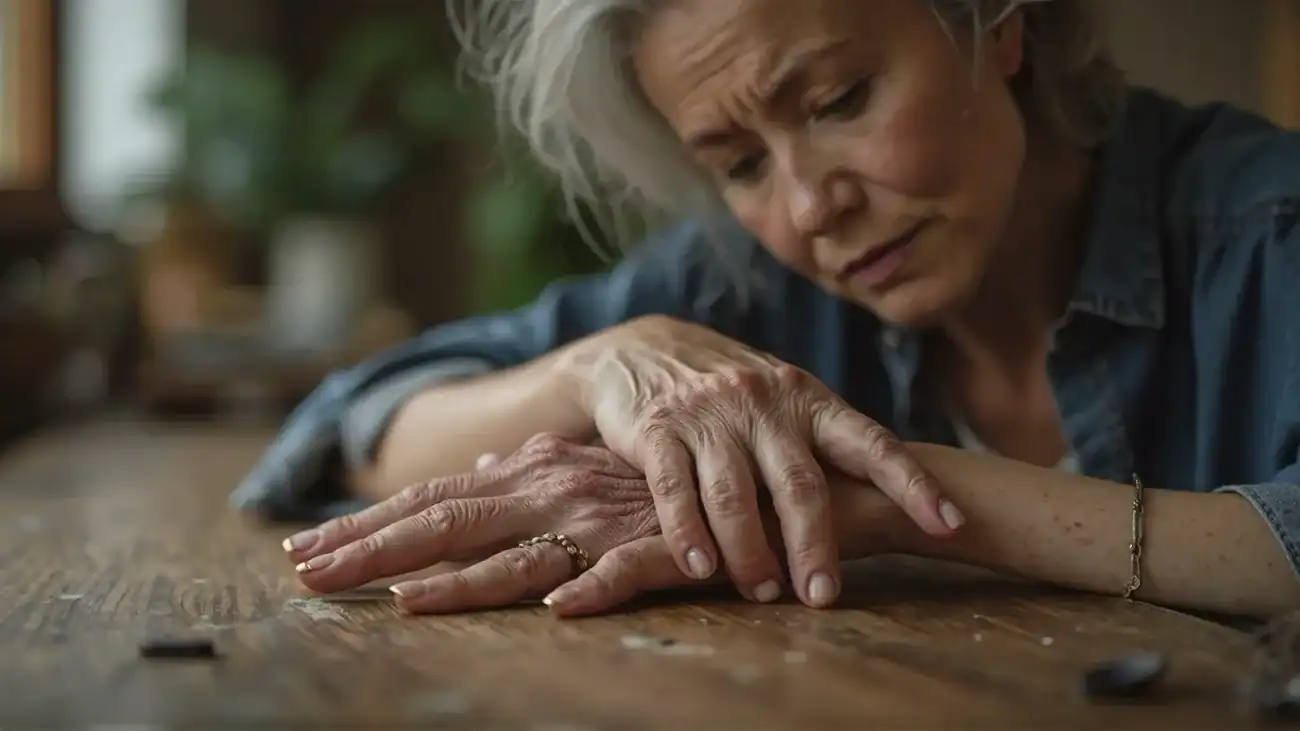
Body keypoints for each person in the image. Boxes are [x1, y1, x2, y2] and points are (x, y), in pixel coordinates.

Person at [233, 0, 1300, 619]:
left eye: (838, 102)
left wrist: (884, 500)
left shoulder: (1265, 230)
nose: (807, 206)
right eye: (739, 163)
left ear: (996, 26)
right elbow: (354, 417)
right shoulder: (736, 277)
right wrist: (598, 365)